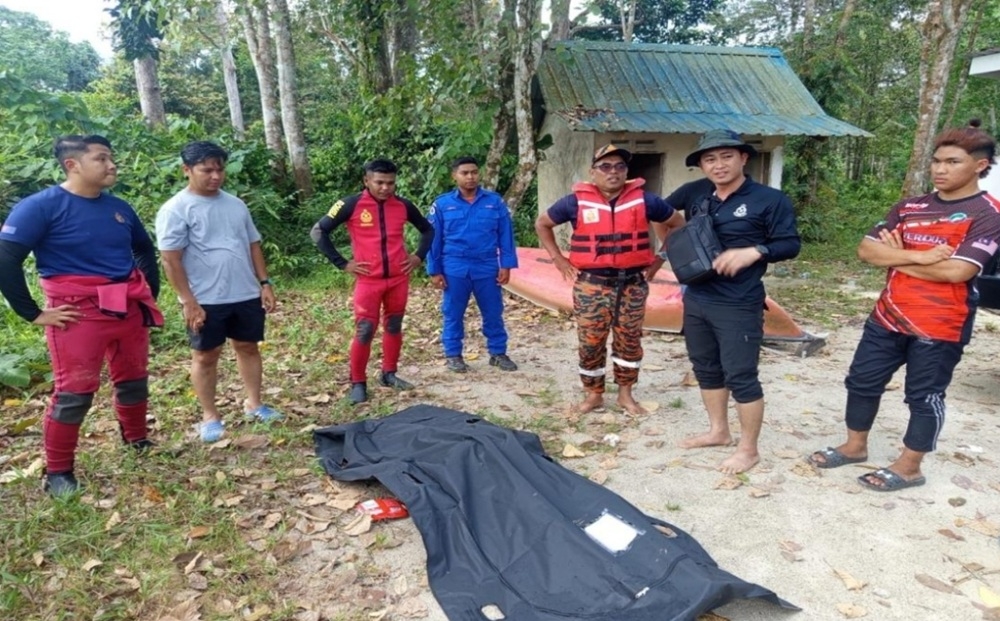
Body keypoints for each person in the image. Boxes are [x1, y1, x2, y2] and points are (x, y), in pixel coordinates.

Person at [808, 125, 1000, 491]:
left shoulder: (988, 213)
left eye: (952, 162)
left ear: (980, 166)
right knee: (861, 381)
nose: (940, 169)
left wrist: (897, 257)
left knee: (923, 396)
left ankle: (910, 467)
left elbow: (957, 272)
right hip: (887, 315)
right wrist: (923, 257)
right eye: (936, 161)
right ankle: (854, 446)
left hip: (940, 324)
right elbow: (866, 250)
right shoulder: (910, 207)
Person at [0, 135, 162, 496]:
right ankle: (58, 473)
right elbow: (6, 258)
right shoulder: (40, 207)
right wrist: (32, 313)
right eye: (101, 158)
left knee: (134, 379)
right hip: (77, 314)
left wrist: (149, 291)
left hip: (127, 307)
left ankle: (136, 440)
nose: (111, 165)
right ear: (72, 165)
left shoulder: (119, 207)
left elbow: (143, 248)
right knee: (74, 392)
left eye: (111, 157)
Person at [676, 129, 801, 474]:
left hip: (739, 302)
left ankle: (749, 450)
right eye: (710, 159)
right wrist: (668, 248)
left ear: (743, 158)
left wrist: (755, 250)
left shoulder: (770, 200)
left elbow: (790, 244)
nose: (718, 165)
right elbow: (662, 213)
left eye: (726, 156)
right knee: (705, 367)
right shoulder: (696, 194)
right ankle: (718, 431)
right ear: (702, 165)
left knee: (741, 375)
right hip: (697, 297)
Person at [535, 144, 685, 415]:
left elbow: (677, 224)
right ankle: (594, 394)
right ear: (593, 172)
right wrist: (558, 258)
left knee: (629, 341)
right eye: (605, 166)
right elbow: (542, 224)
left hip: (632, 285)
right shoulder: (574, 202)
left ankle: (625, 395)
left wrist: (660, 258)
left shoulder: (646, 200)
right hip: (591, 285)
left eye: (619, 166)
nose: (613, 172)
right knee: (590, 342)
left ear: (626, 172)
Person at [156, 141, 283, 444]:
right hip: (206, 298)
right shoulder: (176, 209)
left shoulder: (236, 205)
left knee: (248, 346)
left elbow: (253, 245)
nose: (215, 176)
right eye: (207, 170)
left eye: (220, 169)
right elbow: (170, 259)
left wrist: (264, 283)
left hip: (244, 292)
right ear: (187, 170)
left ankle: (254, 403)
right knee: (205, 355)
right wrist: (188, 301)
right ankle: (210, 416)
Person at [311, 158, 434, 404]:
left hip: (398, 279)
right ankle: (358, 382)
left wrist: (418, 256)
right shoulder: (349, 204)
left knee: (394, 325)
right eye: (379, 182)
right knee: (365, 329)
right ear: (366, 181)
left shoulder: (403, 205)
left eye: (390, 183)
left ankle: (389, 374)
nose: (385, 188)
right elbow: (318, 231)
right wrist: (342, 263)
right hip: (369, 281)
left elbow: (428, 229)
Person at [427, 156, 518, 373]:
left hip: (487, 265)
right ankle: (453, 355)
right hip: (454, 266)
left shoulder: (494, 202)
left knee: (493, 311)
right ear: (454, 176)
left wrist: (506, 265)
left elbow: (506, 235)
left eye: (474, 172)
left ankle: (498, 353)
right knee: (453, 313)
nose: (470, 177)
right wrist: (434, 270)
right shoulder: (442, 205)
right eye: (465, 173)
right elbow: (433, 240)